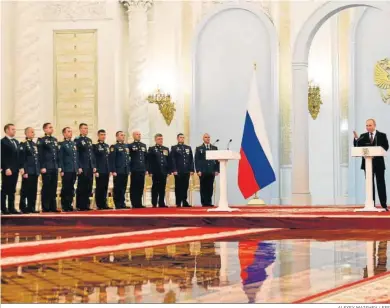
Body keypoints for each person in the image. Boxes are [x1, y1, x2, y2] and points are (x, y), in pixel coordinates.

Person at [353, 118, 389, 211]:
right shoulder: (363, 136)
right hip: (367, 163)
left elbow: (386, 147)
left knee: (380, 183)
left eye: (370, 125)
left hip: (379, 163)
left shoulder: (382, 135)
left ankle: (384, 205)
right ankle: (371, 204)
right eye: (367, 125)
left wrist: (378, 149)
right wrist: (356, 139)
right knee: (370, 184)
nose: (368, 127)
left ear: (374, 125)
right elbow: (357, 146)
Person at [37, 123, 60, 213]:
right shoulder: (41, 140)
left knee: (53, 187)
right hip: (46, 167)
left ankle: (52, 206)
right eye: (50, 127)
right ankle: (45, 207)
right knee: (46, 187)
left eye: (52, 127)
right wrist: (42, 166)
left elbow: (56, 153)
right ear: (45, 129)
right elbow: (40, 154)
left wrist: (58, 166)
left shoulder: (54, 140)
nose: (52, 129)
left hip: (54, 167)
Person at [75, 123, 96, 211]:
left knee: (89, 186)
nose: (86, 130)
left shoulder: (89, 140)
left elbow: (92, 154)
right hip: (83, 167)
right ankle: (80, 205)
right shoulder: (77, 140)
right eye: (84, 128)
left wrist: (94, 165)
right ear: (80, 129)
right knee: (82, 186)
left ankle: (86, 204)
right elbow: (77, 154)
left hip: (90, 166)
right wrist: (79, 166)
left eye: (87, 128)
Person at [58, 127, 80, 212]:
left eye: (71, 131)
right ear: (64, 134)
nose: (70, 133)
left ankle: (69, 204)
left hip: (73, 169)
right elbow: (61, 158)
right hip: (66, 169)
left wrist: (77, 167)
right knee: (66, 188)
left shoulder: (73, 144)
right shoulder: (62, 144)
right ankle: (64, 205)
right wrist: (62, 169)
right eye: (68, 131)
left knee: (71, 188)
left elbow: (76, 157)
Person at [18, 127, 40, 213]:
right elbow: (22, 159)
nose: (33, 134)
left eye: (33, 132)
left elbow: (36, 159)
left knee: (33, 190)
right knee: (25, 189)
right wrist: (24, 171)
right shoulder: (23, 144)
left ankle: (32, 207)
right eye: (31, 132)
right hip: (28, 171)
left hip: (34, 171)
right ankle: (23, 207)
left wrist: (37, 170)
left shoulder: (34, 144)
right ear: (26, 133)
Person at [195, 133, 220, 207]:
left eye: (209, 137)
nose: (207, 138)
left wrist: (217, 170)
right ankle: (204, 203)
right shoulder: (199, 148)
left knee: (210, 187)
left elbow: (217, 160)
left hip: (211, 170)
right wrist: (198, 170)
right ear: (203, 138)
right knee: (203, 187)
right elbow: (197, 160)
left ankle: (209, 202)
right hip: (203, 171)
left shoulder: (214, 148)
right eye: (206, 137)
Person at [1, 123, 21, 214]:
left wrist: (20, 167)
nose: (14, 131)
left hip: (15, 169)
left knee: (12, 189)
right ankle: (3, 208)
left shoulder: (16, 142)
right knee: (5, 189)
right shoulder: (2, 142)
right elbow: (2, 156)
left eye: (14, 129)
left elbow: (18, 156)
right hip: (8, 169)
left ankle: (11, 207)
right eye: (12, 129)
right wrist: (6, 167)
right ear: (7, 130)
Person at [170, 133, 194, 207]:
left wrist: (192, 169)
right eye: (180, 137)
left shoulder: (188, 147)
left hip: (186, 170)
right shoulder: (174, 148)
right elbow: (172, 159)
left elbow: (191, 159)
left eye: (183, 137)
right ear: (177, 138)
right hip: (178, 171)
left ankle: (184, 201)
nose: (182, 139)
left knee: (185, 186)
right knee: (178, 186)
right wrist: (174, 170)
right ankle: (178, 202)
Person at [147, 133, 170, 208]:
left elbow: (168, 160)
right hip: (155, 172)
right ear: (155, 140)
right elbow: (149, 161)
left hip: (164, 171)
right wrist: (150, 171)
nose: (161, 140)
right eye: (159, 139)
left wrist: (168, 171)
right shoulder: (152, 149)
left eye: (161, 139)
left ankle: (161, 203)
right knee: (155, 187)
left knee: (162, 187)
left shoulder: (165, 149)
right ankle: (154, 202)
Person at [109, 131, 130, 209]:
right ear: (117, 136)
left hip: (125, 170)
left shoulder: (126, 146)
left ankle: (122, 203)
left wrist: (128, 169)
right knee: (118, 187)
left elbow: (127, 159)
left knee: (123, 187)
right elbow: (112, 160)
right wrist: (113, 170)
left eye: (124, 135)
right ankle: (117, 203)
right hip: (118, 171)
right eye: (121, 135)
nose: (123, 136)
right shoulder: (114, 146)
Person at [128, 130, 148, 208]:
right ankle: (134, 203)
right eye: (137, 134)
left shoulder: (143, 145)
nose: (139, 135)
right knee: (134, 186)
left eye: (140, 134)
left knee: (140, 186)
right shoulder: (130, 145)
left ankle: (139, 203)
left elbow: (145, 158)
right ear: (133, 136)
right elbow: (128, 158)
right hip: (134, 169)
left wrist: (146, 168)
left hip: (142, 169)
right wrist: (129, 169)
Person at [93, 129, 111, 210]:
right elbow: (94, 159)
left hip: (106, 170)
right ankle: (99, 204)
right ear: (98, 135)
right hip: (99, 170)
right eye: (101, 135)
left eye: (104, 134)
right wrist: (96, 170)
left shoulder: (107, 146)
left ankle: (104, 203)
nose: (103, 136)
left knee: (105, 187)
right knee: (99, 187)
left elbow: (108, 158)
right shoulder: (95, 146)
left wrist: (109, 169)